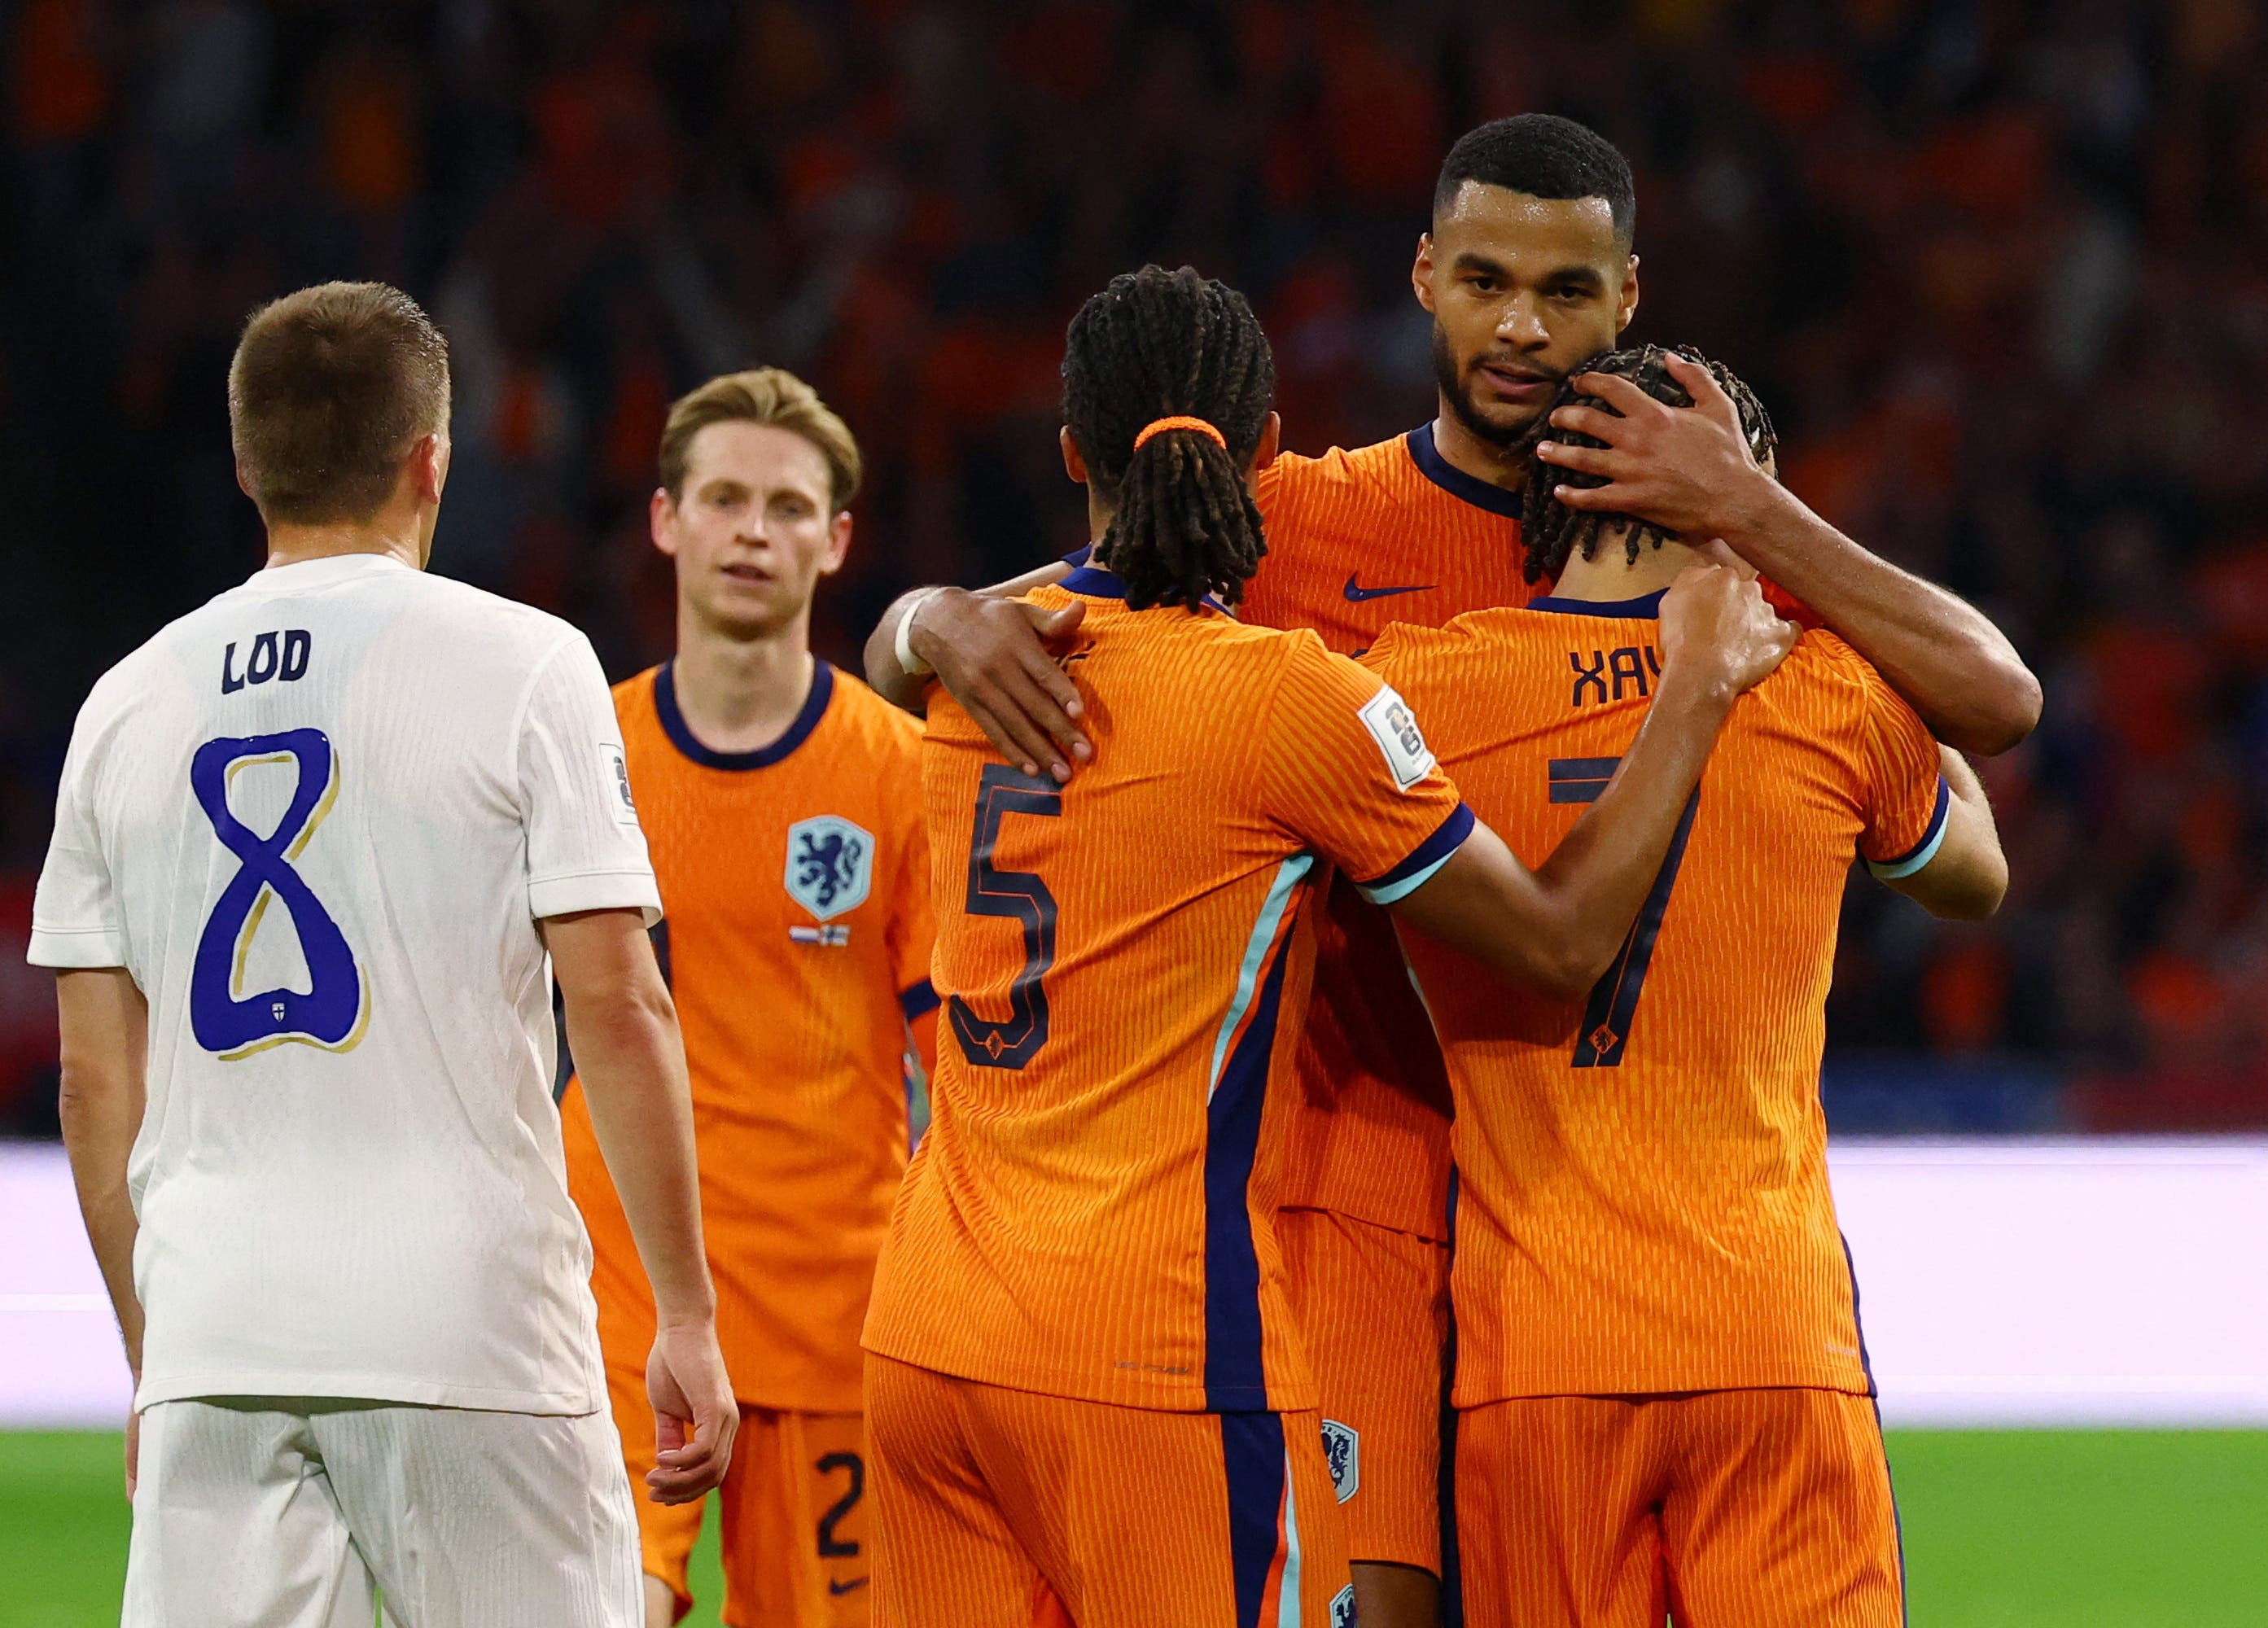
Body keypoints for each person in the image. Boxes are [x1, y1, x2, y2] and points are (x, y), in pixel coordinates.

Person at [863, 114, 2041, 1627]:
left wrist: (1745, 506)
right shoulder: (1300, 526)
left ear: (1628, 298)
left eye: (1564, 292)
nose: (1521, 327)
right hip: (1351, 1196)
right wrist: (925, 616)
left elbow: (1999, 706)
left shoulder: (1718, 568)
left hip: (1557, 1236)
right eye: (1485, 280)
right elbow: (998, 627)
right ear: (1424, 276)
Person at [32, 281, 735, 1627]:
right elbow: (620, 1001)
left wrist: (153, 1352)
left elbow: (89, 1086)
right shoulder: (527, 665)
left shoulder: (123, 706)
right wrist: (689, 1317)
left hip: (217, 1339)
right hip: (471, 1329)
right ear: (433, 457)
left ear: (246, 467)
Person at [1364, 344, 2007, 1626]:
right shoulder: (1827, 690)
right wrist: (1803, 575)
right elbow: (1973, 868)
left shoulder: (1412, 692)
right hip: (1770, 1336)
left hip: (1534, 1351)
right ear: (1734, 491)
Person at [558, 367, 939, 1628]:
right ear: (666, 520)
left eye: (786, 507)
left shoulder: (900, 773)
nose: (752, 531)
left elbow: (964, 1069)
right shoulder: (579, 763)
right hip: (615, 1311)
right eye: (723, 499)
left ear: (835, 542)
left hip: (834, 1319)